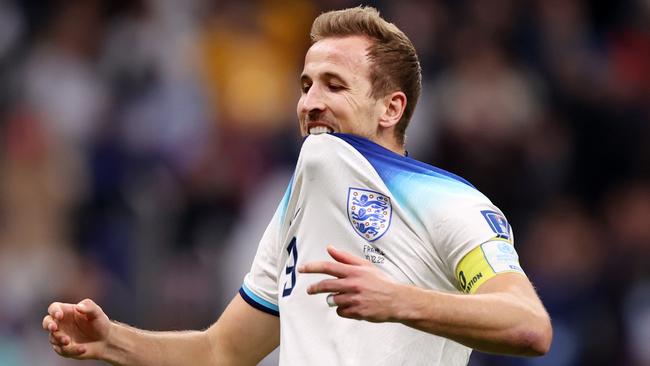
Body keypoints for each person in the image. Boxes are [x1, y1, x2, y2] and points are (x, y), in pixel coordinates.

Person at [43, 6, 552, 365]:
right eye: (305, 85)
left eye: (334, 85)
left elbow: (529, 325)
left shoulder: (448, 201)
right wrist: (112, 343)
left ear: (391, 108)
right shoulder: (298, 205)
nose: (310, 102)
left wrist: (401, 301)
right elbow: (222, 352)